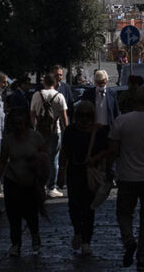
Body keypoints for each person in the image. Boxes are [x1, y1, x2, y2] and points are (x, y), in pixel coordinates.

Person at [108, 85, 144, 272]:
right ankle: (143, 257)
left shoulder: (121, 121)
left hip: (127, 176)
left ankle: (128, 239)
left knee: (124, 213)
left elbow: (114, 151)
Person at [58, 101, 110, 257]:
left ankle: (86, 240)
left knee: (88, 207)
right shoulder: (71, 131)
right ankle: (78, 231)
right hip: (74, 171)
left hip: (90, 172)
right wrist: (61, 172)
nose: (84, 118)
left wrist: (95, 159)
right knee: (73, 205)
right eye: (81, 115)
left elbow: (108, 150)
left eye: (88, 115)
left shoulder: (99, 131)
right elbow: (65, 152)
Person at [0, 108, 48, 258]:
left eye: (20, 123)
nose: (18, 126)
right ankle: (15, 244)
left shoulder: (35, 137)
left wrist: (40, 172)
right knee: (13, 215)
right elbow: (2, 160)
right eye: (15, 124)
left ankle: (34, 235)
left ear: (25, 123)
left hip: (30, 182)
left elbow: (45, 156)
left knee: (31, 213)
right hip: (12, 180)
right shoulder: (8, 140)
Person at [30, 73, 68, 197]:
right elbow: (64, 116)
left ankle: (40, 185)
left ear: (44, 82)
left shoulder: (37, 95)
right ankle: (52, 187)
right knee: (53, 160)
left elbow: (32, 113)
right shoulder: (59, 96)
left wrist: (34, 127)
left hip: (40, 132)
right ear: (55, 83)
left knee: (40, 158)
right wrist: (66, 130)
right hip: (55, 131)